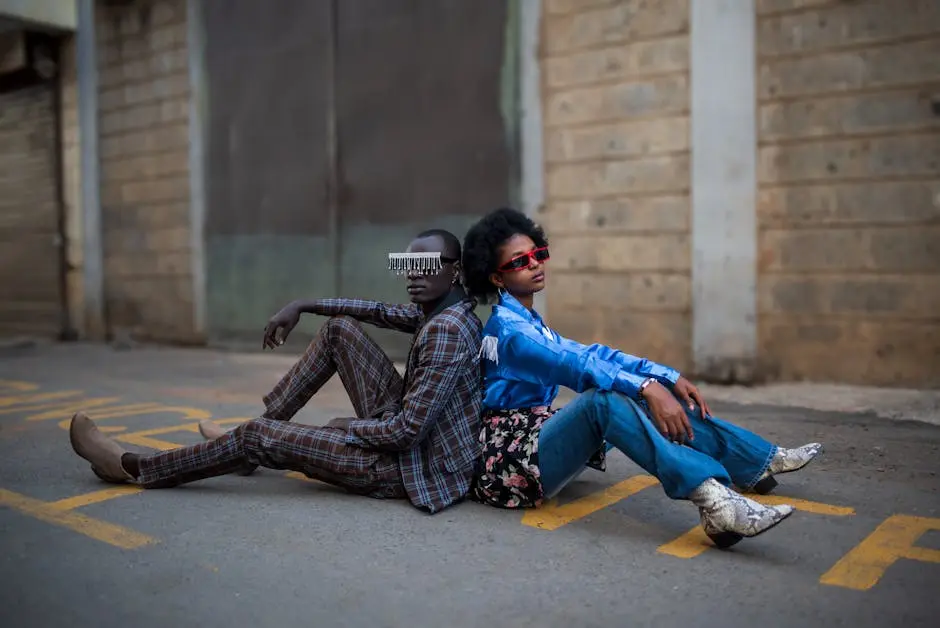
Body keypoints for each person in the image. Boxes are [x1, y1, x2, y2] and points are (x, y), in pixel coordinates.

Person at [461, 208, 824, 548]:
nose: (535, 264)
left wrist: (663, 377)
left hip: (538, 436)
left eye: (539, 253)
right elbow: (575, 366)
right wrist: (646, 387)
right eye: (520, 262)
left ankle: (756, 462)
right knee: (604, 400)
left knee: (633, 390)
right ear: (497, 277)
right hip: (514, 462)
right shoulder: (510, 333)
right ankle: (714, 501)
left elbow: (595, 354)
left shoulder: (526, 321)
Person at [68, 229, 483, 514]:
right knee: (340, 330)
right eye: (407, 264)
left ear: (455, 270)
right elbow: (375, 311)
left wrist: (343, 427)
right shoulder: (446, 311)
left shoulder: (446, 331)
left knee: (256, 437)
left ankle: (134, 467)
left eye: (429, 265)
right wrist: (305, 303)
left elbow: (406, 432)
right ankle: (256, 440)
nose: (414, 274)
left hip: (412, 470)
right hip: (416, 445)